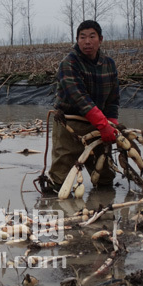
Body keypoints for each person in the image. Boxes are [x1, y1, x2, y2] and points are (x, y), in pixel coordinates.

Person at [48, 20, 119, 192]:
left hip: (98, 126)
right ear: (77, 40)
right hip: (70, 125)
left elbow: (113, 98)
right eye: (82, 37)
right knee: (61, 179)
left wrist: (111, 124)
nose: (87, 41)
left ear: (100, 39)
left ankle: (103, 212)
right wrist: (103, 124)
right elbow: (80, 98)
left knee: (105, 177)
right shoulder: (68, 64)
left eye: (92, 37)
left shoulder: (109, 64)